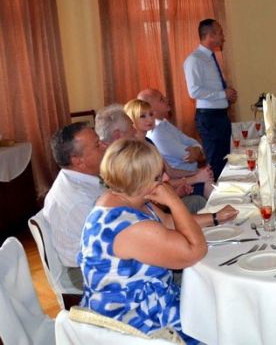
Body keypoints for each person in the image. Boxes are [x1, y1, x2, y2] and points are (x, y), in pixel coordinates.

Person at [79, 139, 237, 343]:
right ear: (139, 181)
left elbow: (168, 223)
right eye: (158, 176)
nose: (166, 178)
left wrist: (215, 217)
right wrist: (173, 201)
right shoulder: (132, 228)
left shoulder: (119, 198)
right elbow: (195, 250)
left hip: (146, 300)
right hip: (135, 322)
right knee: (224, 323)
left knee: (221, 305)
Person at [42, 122, 107, 287]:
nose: (105, 146)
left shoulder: (78, 178)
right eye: (97, 145)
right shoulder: (79, 200)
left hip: (98, 255)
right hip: (87, 272)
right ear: (78, 161)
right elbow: (107, 244)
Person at [124, 99, 212, 211]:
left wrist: (197, 172)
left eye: (151, 114)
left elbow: (170, 171)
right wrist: (196, 178)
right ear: (131, 119)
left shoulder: (149, 142)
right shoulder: (134, 149)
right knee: (204, 192)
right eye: (143, 116)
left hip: (169, 191)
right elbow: (156, 184)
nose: (150, 119)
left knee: (208, 185)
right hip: (155, 203)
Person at [183, 18, 237, 179]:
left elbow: (212, 86)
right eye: (220, 33)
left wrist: (227, 93)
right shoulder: (194, 60)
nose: (223, 37)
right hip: (209, 118)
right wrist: (223, 94)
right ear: (210, 35)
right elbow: (194, 91)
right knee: (216, 161)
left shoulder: (211, 58)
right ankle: (216, 192)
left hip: (220, 116)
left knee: (226, 158)